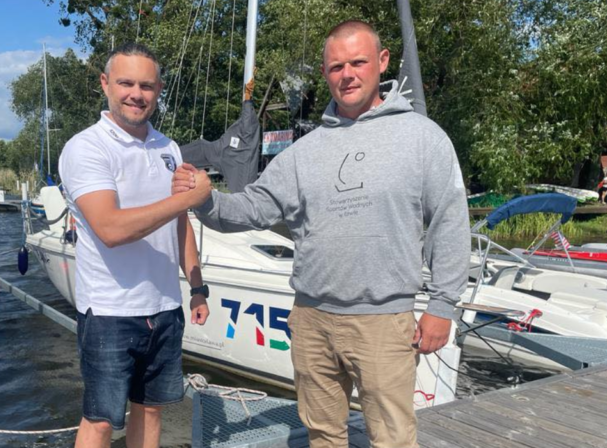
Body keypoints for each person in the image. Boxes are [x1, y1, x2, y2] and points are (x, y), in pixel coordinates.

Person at [173, 20, 470, 448]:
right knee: (323, 435)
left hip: (384, 322)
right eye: (336, 67)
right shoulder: (303, 153)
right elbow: (254, 207)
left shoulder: (424, 137)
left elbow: (449, 221)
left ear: (382, 61)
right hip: (312, 320)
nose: (347, 74)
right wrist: (206, 201)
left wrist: (442, 305)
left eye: (358, 62)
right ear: (325, 72)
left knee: (393, 438)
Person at [59, 43, 213, 448]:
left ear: (159, 89)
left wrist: (197, 287)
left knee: (151, 410)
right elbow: (110, 229)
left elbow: (179, 223)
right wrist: (189, 198)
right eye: (126, 83)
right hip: (109, 311)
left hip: (165, 307)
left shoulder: (168, 148)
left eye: (146, 85)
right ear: (105, 83)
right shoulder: (87, 147)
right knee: (100, 421)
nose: (136, 94)